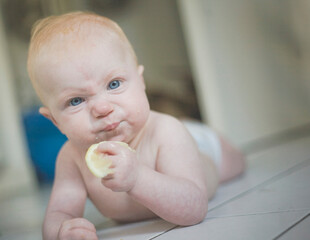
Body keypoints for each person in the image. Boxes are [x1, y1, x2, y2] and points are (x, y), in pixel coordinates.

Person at [27, 11, 245, 240]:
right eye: (76, 101)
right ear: (54, 121)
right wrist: (61, 230)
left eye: (113, 84)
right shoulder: (71, 158)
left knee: (235, 162)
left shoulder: (166, 132)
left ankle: (208, 138)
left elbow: (194, 209)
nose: (102, 108)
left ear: (140, 81)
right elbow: (60, 211)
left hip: (202, 149)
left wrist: (137, 179)